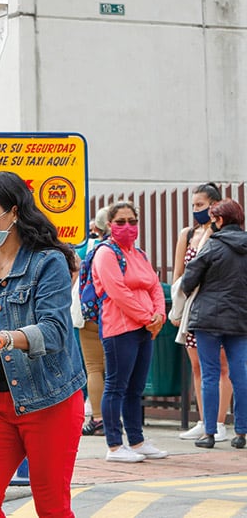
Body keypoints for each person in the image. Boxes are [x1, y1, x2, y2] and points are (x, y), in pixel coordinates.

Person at [0, 171, 85, 517]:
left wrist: (8, 338)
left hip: (48, 400)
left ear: (12, 213)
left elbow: (56, 331)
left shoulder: (48, 262)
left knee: (52, 507)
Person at [93, 200, 168, 462]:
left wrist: (159, 315)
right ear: (110, 225)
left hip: (145, 328)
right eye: (121, 222)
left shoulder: (140, 254)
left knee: (135, 388)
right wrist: (149, 317)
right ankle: (114, 445)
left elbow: (155, 286)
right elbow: (118, 292)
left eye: (132, 221)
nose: (128, 227)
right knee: (115, 386)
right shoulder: (106, 253)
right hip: (120, 329)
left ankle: (136, 441)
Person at [182, 198, 247, 450]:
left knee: (209, 374)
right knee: (239, 373)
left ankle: (209, 433)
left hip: (207, 319)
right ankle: (241, 432)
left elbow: (189, 279)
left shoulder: (212, 246)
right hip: (240, 319)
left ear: (219, 220)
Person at [171, 182, 232, 442]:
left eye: (201, 205)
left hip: (217, 307)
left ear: (214, 206)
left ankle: (219, 421)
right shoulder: (187, 234)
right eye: (194, 205)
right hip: (192, 308)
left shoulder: (221, 234)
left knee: (221, 366)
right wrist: (176, 308)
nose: (196, 210)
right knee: (197, 366)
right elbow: (178, 273)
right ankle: (204, 419)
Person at [79, 207, 110, 437]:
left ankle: (97, 417)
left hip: (87, 314)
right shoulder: (125, 251)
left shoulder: (84, 247)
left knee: (93, 368)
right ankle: (112, 419)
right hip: (114, 316)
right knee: (114, 370)